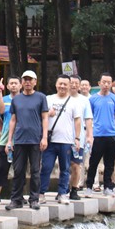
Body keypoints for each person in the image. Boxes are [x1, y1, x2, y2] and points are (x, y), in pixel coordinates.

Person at [6, 70, 49, 210]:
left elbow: (45, 118)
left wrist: (44, 137)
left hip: (35, 139)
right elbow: (13, 120)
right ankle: (16, 199)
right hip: (19, 140)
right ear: (22, 82)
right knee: (18, 170)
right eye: (25, 79)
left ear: (35, 82)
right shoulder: (16, 99)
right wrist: (9, 140)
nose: (28, 82)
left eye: (30, 79)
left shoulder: (41, 97)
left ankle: (34, 199)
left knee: (35, 171)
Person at [37, 76, 82, 204]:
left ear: (69, 86)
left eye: (65, 84)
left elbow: (77, 121)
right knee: (46, 167)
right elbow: (40, 116)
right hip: (50, 140)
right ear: (56, 84)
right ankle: (41, 193)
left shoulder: (74, 102)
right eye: (60, 83)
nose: (62, 86)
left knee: (65, 168)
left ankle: (62, 193)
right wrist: (48, 114)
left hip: (66, 140)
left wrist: (77, 138)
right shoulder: (48, 99)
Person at [84, 73, 115, 196]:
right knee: (93, 162)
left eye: (108, 82)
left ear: (111, 84)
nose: (106, 84)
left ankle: (107, 187)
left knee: (109, 163)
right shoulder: (93, 99)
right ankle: (89, 186)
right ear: (99, 83)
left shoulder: (114, 98)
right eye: (104, 82)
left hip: (112, 134)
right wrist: (89, 135)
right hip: (97, 135)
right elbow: (89, 117)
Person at [0, 76, 21, 204]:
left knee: (19, 169)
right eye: (11, 83)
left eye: (16, 83)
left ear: (20, 85)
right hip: (5, 140)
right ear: (8, 86)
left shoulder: (24, 99)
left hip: (21, 140)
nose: (14, 85)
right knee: (1, 168)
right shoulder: (3, 100)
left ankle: (18, 195)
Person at [67, 75, 92, 199]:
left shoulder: (84, 100)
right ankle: (63, 189)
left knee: (76, 165)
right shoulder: (62, 98)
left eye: (77, 83)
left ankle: (74, 189)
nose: (74, 85)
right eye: (71, 82)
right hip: (63, 137)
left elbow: (88, 119)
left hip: (79, 138)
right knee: (64, 165)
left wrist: (89, 136)